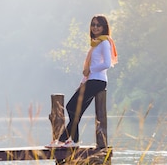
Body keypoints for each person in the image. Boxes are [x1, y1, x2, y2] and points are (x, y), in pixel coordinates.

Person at [46, 15, 118, 148]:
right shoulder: (95, 44)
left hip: (98, 81)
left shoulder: (104, 42)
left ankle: (72, 141)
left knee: (71, 107)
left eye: (98, 25)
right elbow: (88, 70)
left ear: (104, 27)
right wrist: (82, 82)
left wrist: (90, 69)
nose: (95, 27)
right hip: (91, 80)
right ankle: (64, 140)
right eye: (93, 24)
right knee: (76, 111)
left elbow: (107, 64)